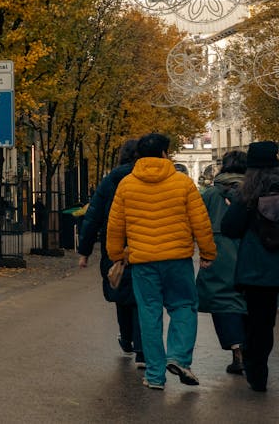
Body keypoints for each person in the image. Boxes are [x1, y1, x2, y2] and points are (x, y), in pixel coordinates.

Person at [106, 133, 216, 390]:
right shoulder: (183, 183)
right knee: (184, 306)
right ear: (165, 153)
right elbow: (200, 222)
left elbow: (115, 225)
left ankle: (155, 376)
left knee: (149, 314)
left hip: (142, 261)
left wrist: (116, 255)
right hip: (178, 259)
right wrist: (208, 253)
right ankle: (178, 357)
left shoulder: (126, 184)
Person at [77, 139, 143, 368]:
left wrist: (84, 251)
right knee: (143, 297)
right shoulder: (148, 177)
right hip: (144, 244)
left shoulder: (110, 180)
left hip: (114, 246)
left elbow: (93, 216)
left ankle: (127, 338)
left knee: (121, 293)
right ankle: (142, 348)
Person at [221, 140, 279, 392]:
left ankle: (258, 373)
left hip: (256, 270)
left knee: (259, 324)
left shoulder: (246, 194)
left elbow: (229, 229)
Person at [197, 150, 248, 375]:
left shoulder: (210, 194)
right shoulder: (256, 191)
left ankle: (237, 350)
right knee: (251, 300)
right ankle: (250, 347)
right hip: (250, 253)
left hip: (218, 254)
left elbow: (198, 224)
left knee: (223, 302)